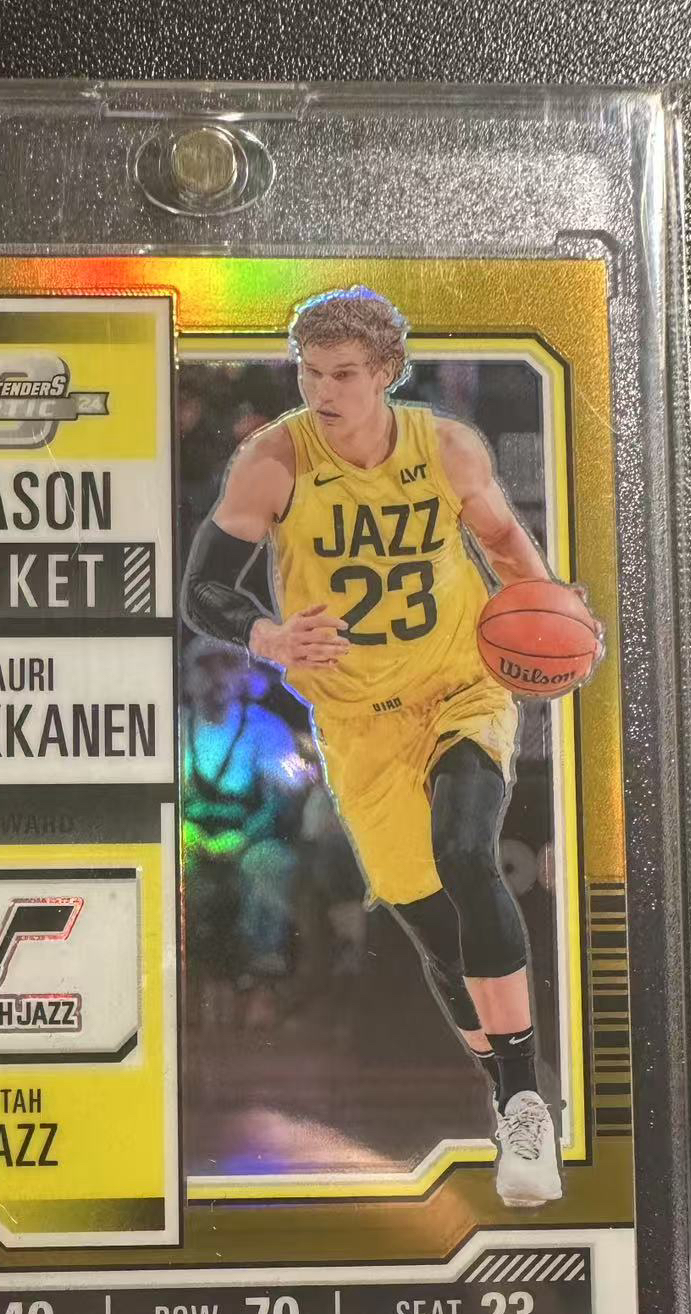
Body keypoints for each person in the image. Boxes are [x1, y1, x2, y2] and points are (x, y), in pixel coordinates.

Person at [181, 285, 601, 1207]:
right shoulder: (274, 461)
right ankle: (512, 1087)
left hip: (459, 686)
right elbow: (203, 589)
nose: (321, 390)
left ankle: (524, 1104)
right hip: (357, 724)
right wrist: (267, 636)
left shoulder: (446, 448)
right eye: (309, 372)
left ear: (385, 375)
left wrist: (547, 610)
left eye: (342, 374)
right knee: (438, 937)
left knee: (465, 849)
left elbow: (502, 540)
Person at [181, 638, 306, 1025]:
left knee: (268, 864)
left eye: (228, 665)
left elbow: (286, 796)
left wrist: (244, 838)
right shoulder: (171, 728)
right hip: (188, 842)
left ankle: (261, 983)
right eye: (206, 666)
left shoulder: (266, 730)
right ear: (187, 677)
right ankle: (183, 984)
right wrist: (186, 833)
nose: (217, 677)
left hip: (250, 841)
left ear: (244, 676)